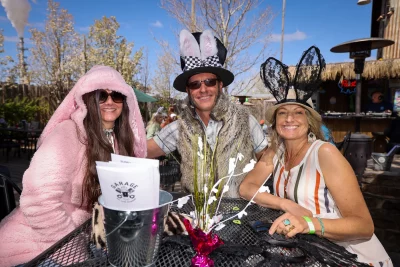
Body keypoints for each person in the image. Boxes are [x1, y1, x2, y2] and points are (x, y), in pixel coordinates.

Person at [239, 47, 392, 266]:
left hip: (349, 256)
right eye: (282, 112)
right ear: (275, 122)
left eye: (298, 112)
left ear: (309, 120)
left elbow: (364, 226)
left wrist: (308, 224)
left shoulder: (324, 153)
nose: (289, 118)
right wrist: (285, 204)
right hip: (311, 252)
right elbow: (246, 188)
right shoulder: (277, 152)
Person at [0, 65, 147, 267]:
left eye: (117, 96)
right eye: (101, 95)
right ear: (87, 98)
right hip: (37, 247)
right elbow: (39, 202)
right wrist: (78, 258)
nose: (110, 102)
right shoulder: (67, 134)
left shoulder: (118, 142)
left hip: (85, 237)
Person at [147, 29, 267, 197]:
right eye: (195, 84)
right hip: (196, 216)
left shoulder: (244, 120)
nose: (203, 89)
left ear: (220, 85)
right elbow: (141, 151)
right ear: (188, 90)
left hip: (239, 216)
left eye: (209, 82)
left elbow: (268, 159)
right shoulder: (180, 128)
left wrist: (250, 187)